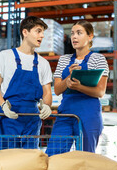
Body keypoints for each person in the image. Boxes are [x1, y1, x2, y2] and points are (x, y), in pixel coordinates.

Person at [46, 20, 109, 156]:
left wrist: (79, 87)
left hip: (89, 115)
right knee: (53, 155)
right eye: (73, 33)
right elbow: (57, 89)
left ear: (90, 36)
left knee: (85, 157)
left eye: (79, 33)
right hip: (66, 114)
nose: (74, 37)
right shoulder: (64, 60)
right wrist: (68, 77)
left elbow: (100, 92)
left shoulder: (99, 59)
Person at [0, 16, 53, 150]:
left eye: (43, 32)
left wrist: (47, 106)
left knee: (29, 161)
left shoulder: (43, 63)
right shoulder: (5, 56)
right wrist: (3, 105)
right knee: (6, 157)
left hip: (31, 118)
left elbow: (47, 91)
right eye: (38, 31)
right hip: (8, 115)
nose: (42, 36)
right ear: (25, 32)